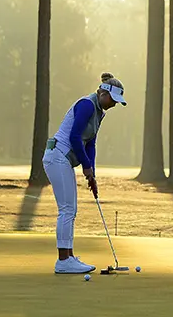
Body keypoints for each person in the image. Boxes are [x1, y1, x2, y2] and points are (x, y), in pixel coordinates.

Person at [42, 72, 126, 274]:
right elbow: (74, 137)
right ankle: (63, 260)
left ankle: (69, 257)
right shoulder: (87, 105)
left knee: (70, 209)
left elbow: (91, 143)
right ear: (104, 94)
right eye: (113, 100)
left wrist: (91, 173)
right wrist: (85, 166)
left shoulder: (99, 112)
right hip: (57, 156)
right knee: (67, 209)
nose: (114, 104)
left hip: (63, 160)